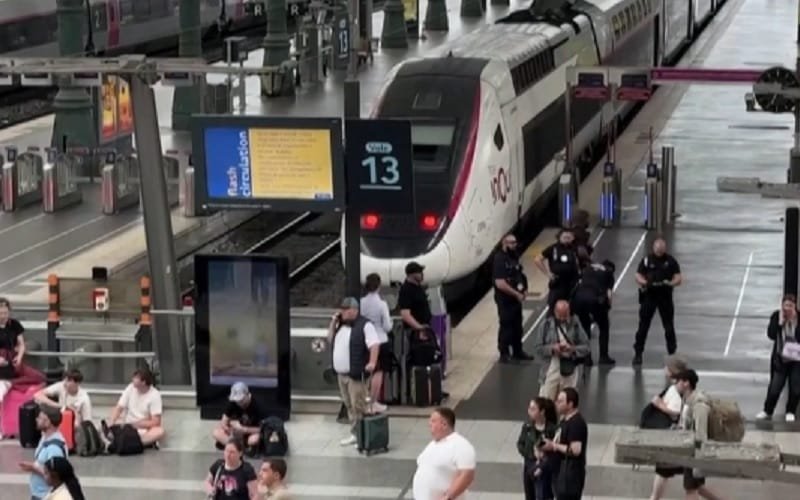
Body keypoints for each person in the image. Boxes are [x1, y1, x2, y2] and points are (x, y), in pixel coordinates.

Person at [328, 297, 380, 446]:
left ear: (354, 310)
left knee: (358, 404)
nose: (342, 312)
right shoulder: (340, 325)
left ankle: (361, 434)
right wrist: (333, 322)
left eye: (345, 310)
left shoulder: (365, 325)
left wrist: (372, 362)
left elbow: (374, 344)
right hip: (341, 373)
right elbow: (330, 339)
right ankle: (355, 432)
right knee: (349, 404)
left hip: (356, 373)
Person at [673, 370, 725, 500]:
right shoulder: (688, 400)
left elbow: (701, 435)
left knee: (691, 490)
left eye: (677, 381)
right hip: (689, 452)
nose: (675, 385)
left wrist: (698, 463)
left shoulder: (699, 405)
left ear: (686, 383)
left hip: (694, 454)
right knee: (698, 488)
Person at [633, 237, 682, 365]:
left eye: (662, 249)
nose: (659, 251)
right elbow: (638, 275)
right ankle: (638, 353)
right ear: (654, 248)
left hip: (665, 297)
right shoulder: (646, 260)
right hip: (649, 297)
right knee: (643, 326)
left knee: (669, 327)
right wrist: (646, 283)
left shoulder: (671, 261)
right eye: (657, 249)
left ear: (665, 248)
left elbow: (678, 277)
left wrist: (670, 283)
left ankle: (672, 353)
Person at [647, 355, 689, 500]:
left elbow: (675, 413)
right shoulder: (678, 386)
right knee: (665, 472)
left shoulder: (677, 389)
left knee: (665, 471)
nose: (664, 368)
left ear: (672, 371)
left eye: (666, 367)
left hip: (673, 439)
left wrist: (659, 405)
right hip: (674, 438)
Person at [412, 407, 476, 500]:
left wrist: (448, 497)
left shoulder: (461, 445)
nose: (429, 424)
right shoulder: (433, 444)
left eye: (433, 421)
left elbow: (467, 475)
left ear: (444, 424)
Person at [534, 300, 590, 400]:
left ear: (569, 312)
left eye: (565, 315)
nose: (563, 319)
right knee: (546, 402)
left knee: (567, 402)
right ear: (555, 312)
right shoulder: (546, 325)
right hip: (551, 367)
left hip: (570, 369)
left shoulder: (576, 324)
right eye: (560, 316)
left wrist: (572, 349)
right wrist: (552, 349)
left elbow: (586, 347)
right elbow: (538, 348)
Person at [757, 294, 800, 422]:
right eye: (785, 305)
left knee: (796, 387)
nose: (787, 308)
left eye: (790, 306)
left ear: (795, 306)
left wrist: (793, 322)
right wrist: (780, 324)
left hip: (796, 359)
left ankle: (791, 410)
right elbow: (771, 334)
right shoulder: (776, 316)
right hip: (781, 358)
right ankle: (767, 410)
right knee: (775, 387)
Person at [493, 234, 534, 363]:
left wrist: (524, 290)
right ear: (504, 243)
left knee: (517, 325)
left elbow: (519, 274)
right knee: (506, 325)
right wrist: (516, 294)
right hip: (505, 299)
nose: (514, 245)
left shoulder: (514, 257)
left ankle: (518, 351)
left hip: (516, 298)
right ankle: (504, 353)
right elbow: (500, 283)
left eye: (515, 242)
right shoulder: (499, 259)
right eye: (511, 243)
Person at [542, 388, 588, 500]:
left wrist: (554, 446)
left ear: (570, 404)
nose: (557, 403)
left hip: (570, 477)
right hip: (560, 474)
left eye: (561, 401)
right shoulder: (565, 421)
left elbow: (576, 450)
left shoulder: (576, 424)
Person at [571, 258, 616, 366]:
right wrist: (608, 307)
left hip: (579, 299)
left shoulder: (588, 268)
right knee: (604, 326)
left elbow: (578, 282)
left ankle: (587, 358)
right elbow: (609, 294)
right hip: (595, 300)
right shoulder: (609, 272)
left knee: (585, 327)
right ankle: (603, 357)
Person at [106, 367, 165, 447]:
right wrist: (111, 423)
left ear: (143, 382)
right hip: (128, 426)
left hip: (143, 429)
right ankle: (127, 442)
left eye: (136, 378)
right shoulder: (130, 387)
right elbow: (119, 407)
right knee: (104, 426)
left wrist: (138, 424)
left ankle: (134, 443)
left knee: (159, 431)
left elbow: (156, 422)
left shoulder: (155, 395)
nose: (133, 379)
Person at [360, 273, 394, 412]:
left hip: (364, 340)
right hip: (380, 340)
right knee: (378, 372)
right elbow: (387, 326)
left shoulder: (361, 302)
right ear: (379, 286)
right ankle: (373, 402)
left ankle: (364, 401)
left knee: (365, 372)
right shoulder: (381, 304)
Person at [19, 406, 67, 500]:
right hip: (39, 494)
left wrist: (34, 468)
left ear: (48, 422)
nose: (36, 419)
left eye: (40, 418)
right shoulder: (45, 437)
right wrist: (33, 466)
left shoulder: (54, 449)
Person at [517, 397, 558, 500]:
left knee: (542, 494)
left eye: (533, 409)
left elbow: (555, 451)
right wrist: (532, 454)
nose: (529, 411)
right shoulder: (527, 427)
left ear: (542, 412)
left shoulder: (552, 429)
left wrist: (543, 458)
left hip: (545, 469)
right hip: (530, 466)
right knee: (530, 494)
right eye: (529, 408)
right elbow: (520, 444)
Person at [213, 382, 268, 454]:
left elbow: (262, 429)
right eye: (237, 401)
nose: (239, 403)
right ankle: (236, 447)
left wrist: (244, 429)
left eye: (241, 400)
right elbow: (224, 421)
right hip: (236, 434)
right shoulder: (234, 403)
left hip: (251, 432)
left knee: (254, 439)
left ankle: (236, 447)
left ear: (247, 395)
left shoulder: (257, 406)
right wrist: (229, 429)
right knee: (216, 432)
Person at [535, 230, 580, 313]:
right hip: (558, 282)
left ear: (572, 238)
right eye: (564, 237)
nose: (567, 239)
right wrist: (548, 274)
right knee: (553, 304)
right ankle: (550, 321)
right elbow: (537, 259)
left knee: (572, 304)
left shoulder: (574, 249)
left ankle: (570, 321)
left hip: (572, 282)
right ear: (559, 237)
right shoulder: (553, 248)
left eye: (569, 237)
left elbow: (577, 262)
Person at [0, 297, 26, 402]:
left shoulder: (14, 324)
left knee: (39, 377)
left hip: (10, 359)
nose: (3, 316)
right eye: (1, 313)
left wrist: (19, 357)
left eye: (5, 313)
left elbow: (21, 344)